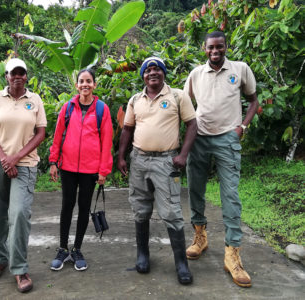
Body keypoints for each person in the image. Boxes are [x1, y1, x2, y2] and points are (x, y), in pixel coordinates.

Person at [183, 31, 259, 288]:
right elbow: (185, 105)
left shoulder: (240, 69)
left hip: (228, 138)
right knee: (195, 189)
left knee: (231, 196)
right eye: (210, 48)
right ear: (204, 49)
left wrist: (242, 128)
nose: (215, 51)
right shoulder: (195, 74)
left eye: (220, 47)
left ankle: (232, 253)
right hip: (200, 139)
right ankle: (200, 236)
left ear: (226, 47)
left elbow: (253, 100)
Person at [117, 57, 197, 284]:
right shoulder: (135, 100)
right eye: (148, 70)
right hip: (139, 161)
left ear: (163, 73)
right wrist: (121, 157)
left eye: (157, 69)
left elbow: (192, 125)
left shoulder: (177, 96)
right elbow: (127, 130)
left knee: (171, 211)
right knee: (140, 209)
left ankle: (181, 263)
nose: (152, 73)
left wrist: (183, 155)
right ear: (143, 75)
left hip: (166, 162)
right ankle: (143, 255)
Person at [0, 58, 46, 293]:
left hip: (25, 164)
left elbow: (40, 133)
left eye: (22, 73)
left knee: (18, 214)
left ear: (26, 76)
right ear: (6, 76)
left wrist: (15, 158)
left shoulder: (34, 100)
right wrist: (4, 159)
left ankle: (19, 268)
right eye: (13, 73)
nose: (17, 76)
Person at [48, 69, 113, 271]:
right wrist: (53, 161)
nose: (85, 84)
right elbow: (58, 136)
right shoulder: (67, 108)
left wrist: (103, 170)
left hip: (90, 170)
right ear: (77, 85)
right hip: (67, 167)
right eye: (82, 81)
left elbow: (107, 141)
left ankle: (77, 249)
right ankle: (62, 248)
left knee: (84, 209)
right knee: (66, 207)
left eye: (89, 81)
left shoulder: (102, 109)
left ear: (94, 85)